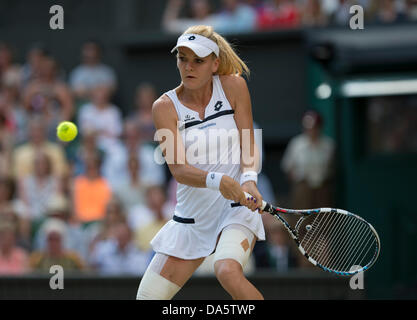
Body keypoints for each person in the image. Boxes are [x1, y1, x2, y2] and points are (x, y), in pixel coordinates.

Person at [136, 25, 265, 300]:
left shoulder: (234, 86)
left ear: (215, 63)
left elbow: (248, 141)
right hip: (192, 218)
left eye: (198, 60)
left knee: (227, 270)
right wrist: (218, 181)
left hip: (236, 208)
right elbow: (179, 170)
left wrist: (249, 178)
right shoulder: (164, 107)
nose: (188, 67)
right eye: (183, 58)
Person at [281, 110, 335, 209]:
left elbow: (332, 167)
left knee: (323, 219)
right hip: (303, 186)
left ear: (319, 127)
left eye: (314, 128)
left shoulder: (328, 145)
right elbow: (287, 167)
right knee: (302, 218)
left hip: (322, 188)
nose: (311, 131)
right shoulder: (296, 144)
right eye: (307, 128)